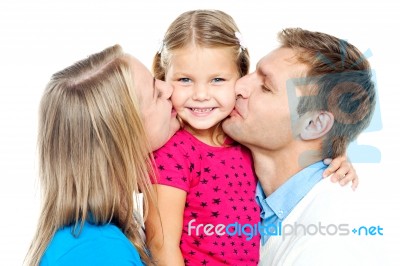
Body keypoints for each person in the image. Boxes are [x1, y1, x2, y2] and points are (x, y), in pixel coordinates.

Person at [145, 10, 358, 266]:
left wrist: (337, 155)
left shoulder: (240, 138)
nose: (201, 94)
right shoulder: (173, 150)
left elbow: (295, 147)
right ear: (164, 80)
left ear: (238, 76)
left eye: (217, 80)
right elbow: (161, 245)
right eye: (185, 80)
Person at [222, 28, 376, 264]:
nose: (238, 87)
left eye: (265, 87)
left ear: (314, 124)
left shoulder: (331, 245)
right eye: (253, 72)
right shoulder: (239, 183)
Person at [25, 44, 180, 266]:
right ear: (124, 136)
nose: (170, 89)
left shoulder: (93, 238)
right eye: (156, 93)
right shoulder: (99, 252)